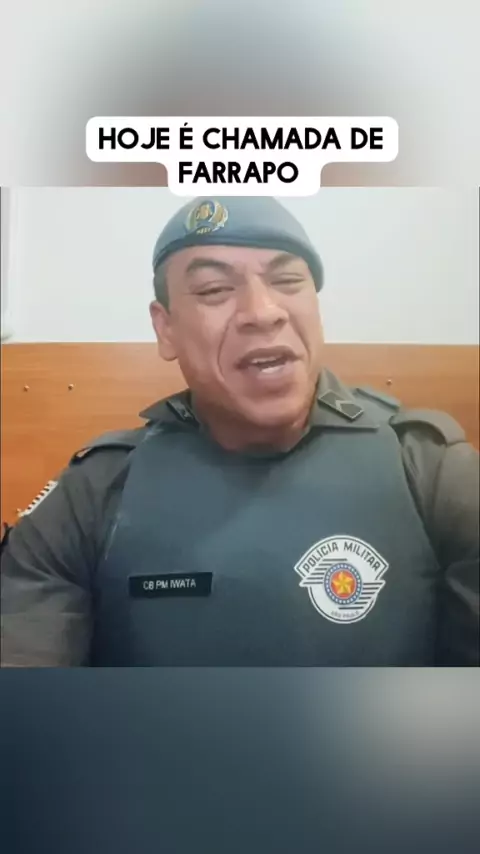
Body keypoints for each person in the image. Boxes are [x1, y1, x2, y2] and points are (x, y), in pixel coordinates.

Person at [1, 196, 479, 667]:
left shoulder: (431, 470)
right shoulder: (92, 493)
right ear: (166, 329)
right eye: (214, 290)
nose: (263, 311)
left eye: (287, 281)